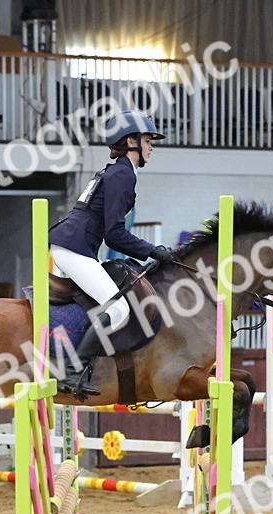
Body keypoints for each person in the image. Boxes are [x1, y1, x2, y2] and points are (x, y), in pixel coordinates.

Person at [48, 110, 176, 398]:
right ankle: (73, 371)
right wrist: (153, 250)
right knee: (117, 308)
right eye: (147, 140)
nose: (151, 146)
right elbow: (114, 234)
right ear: (130, 141)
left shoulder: (118, 171)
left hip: (76, 247)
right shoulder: (121, 175)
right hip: (74, 249)